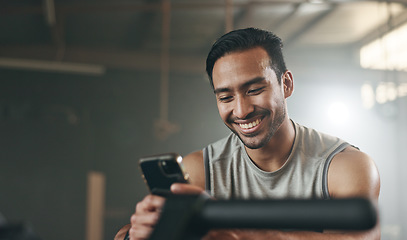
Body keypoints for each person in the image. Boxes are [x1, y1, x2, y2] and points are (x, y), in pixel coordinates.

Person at [115, 27, 380, 240]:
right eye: (226, 96)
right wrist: (137, 233)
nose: (241, 110)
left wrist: (240, 234)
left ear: (285, 84)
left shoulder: (345, 166)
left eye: (254, 90)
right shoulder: (199, 170)